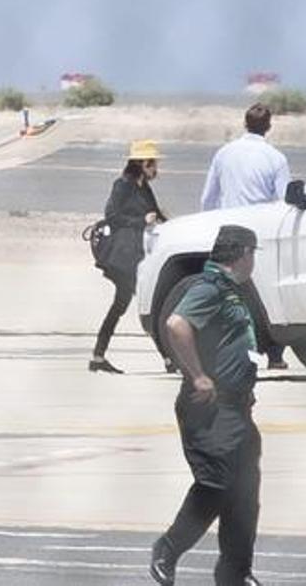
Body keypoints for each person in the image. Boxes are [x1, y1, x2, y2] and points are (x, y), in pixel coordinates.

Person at [151, 225, 263, 586]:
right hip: (209, 409)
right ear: (243, 253)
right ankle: (168, 549)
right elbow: (177, 324)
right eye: (253, 253)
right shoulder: (208, 287)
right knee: (215, 485)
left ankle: (235, 573)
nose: (254, 260)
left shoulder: (233, 291)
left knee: (244, 495)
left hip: (237, 409)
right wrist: (198, 374)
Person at [200, 103, 291, 370]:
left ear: (244, 124)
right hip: (258, 230)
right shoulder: (275, 158)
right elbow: (285, 200)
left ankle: (224, 348)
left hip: (226, 229)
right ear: (269, 127)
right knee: (266, 293)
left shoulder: (224, 154)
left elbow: (208, 198)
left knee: (226, 292)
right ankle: (273, 354)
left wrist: (209, 223)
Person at [90, 140, 169, 375]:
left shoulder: (143, 186)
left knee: (122, 306)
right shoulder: (122, 185)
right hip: (122, 256)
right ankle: (168, 358)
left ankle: (97, 356)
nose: (157, 169)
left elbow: (156, 213)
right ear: (143, 163)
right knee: (150, 305)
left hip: (136, 254)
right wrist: (140, 222)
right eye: (154, 164)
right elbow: (112, 216)